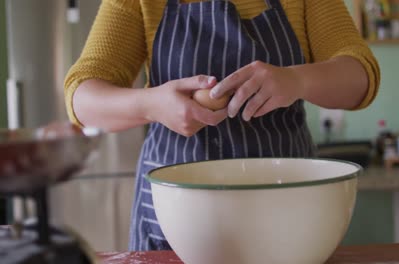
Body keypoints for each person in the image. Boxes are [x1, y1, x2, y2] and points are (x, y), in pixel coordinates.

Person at [64, 0, 380, 251]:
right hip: (176, 228)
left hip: (286, 219)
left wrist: (297, 79)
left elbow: (360, 76)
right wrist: (152, 104)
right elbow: (82, 98)